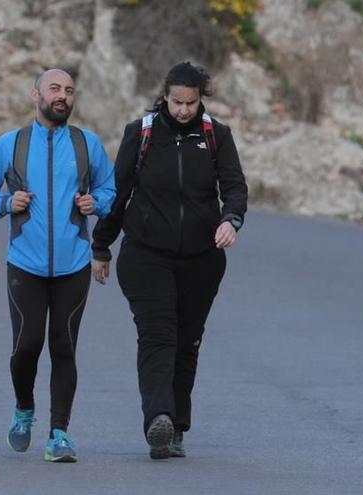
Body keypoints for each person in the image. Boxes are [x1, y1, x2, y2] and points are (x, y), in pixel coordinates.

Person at [91, 61, 248, 460]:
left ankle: (176, 427)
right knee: (158, 334)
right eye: (176, 102)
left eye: (190, 103)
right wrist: (101, 247)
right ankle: (157, 418)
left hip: (202, 259)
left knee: (186, 342)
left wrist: (231, 220)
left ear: (201, 100)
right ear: (165, 96)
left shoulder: (217, 136)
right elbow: (118, 192)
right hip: (146, 256)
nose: (182, 110)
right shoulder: (141, 134)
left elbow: (234, 186)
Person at [0, 69, 116, 463]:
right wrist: (7, 203)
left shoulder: (87, 144)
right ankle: (24, 408)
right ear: (34, 94)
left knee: (63, 346)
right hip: (25, 262)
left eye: (69, 91)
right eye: (55, 89)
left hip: (73, 263)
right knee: (26, 347)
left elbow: (109, 188)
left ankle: (59, 434)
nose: (63, 96)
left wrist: (97, 204)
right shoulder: (12, 144)